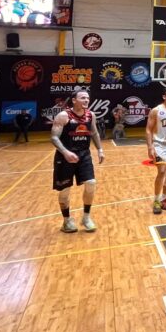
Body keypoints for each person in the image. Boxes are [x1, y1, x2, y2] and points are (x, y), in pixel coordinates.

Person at [50, 89, 104, 233]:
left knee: (91, 183)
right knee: (65, 190)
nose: (86, 100)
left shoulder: (91, 115)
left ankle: (86, 217)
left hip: (84, 155)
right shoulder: (63, 116)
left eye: (87, 98)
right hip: (64, 157)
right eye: (82, 98)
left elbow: (94, 132)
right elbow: (54, 137)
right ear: (74, 100)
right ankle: (67, 221)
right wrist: (66, 152)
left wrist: (100, 149)